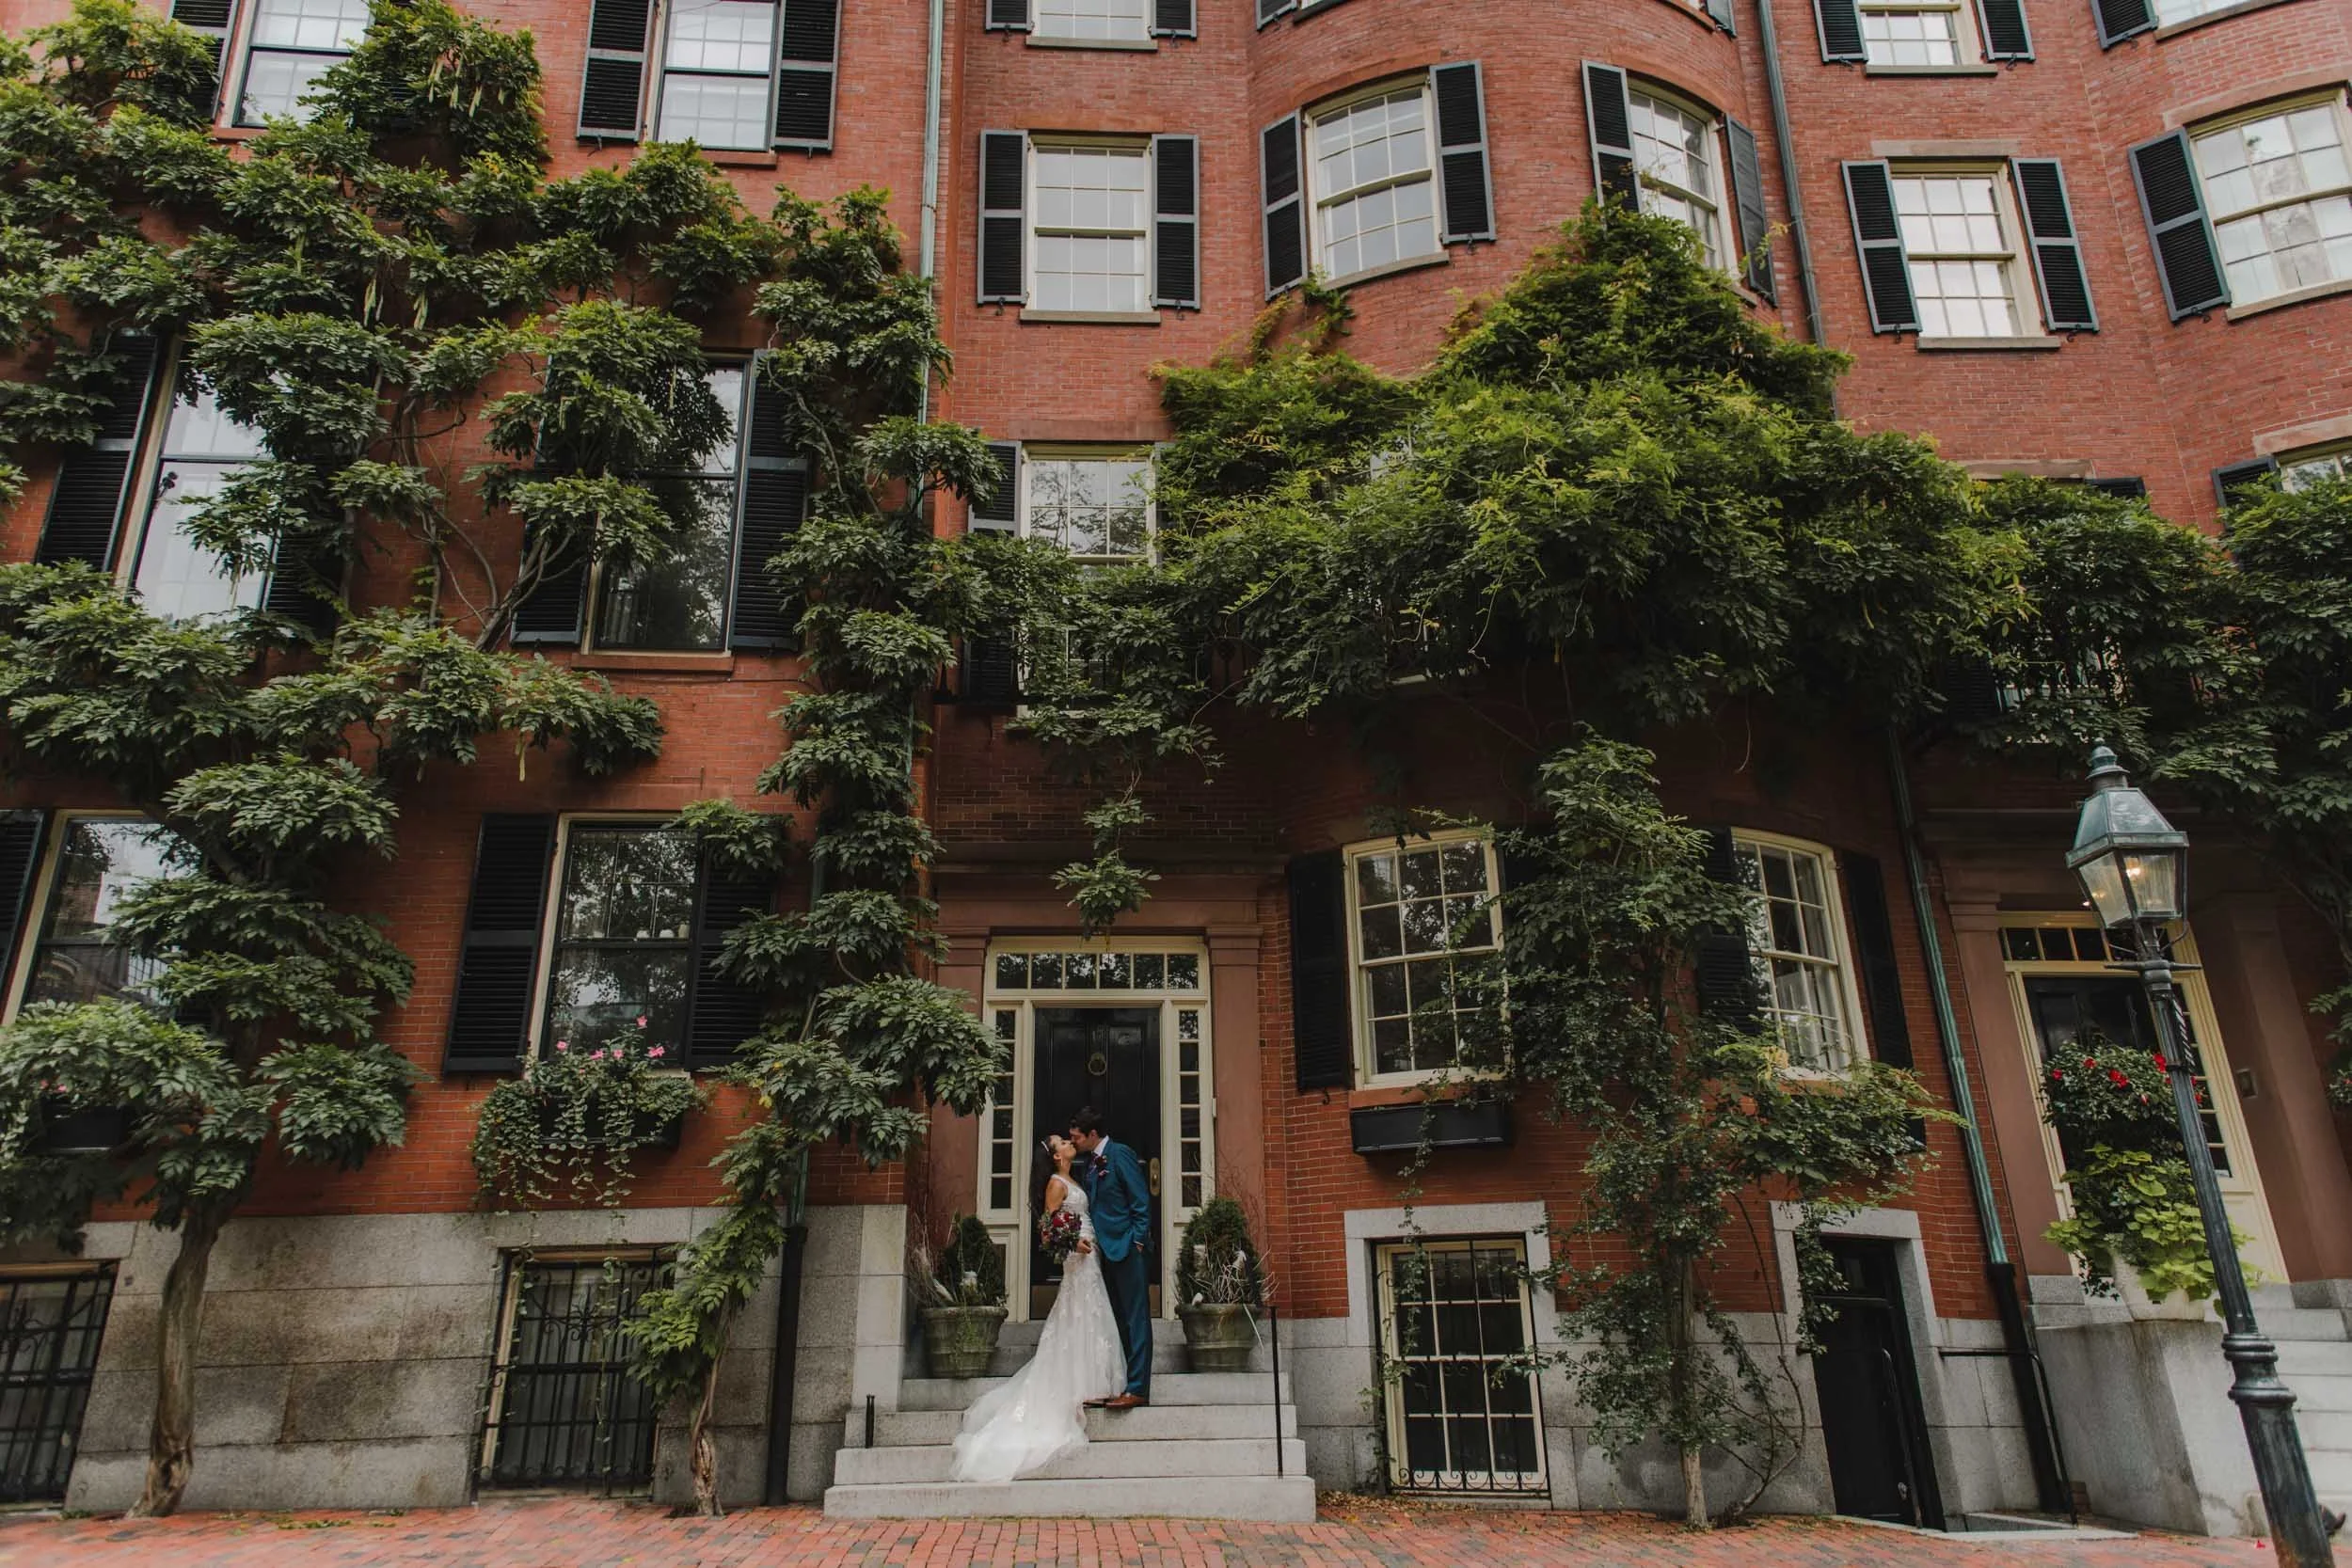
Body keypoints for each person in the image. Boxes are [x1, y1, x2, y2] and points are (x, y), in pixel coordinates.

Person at [947, 1134, 1125, 1482]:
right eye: (1063, 1142)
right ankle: (1074, 1385)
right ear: (1057, 1155)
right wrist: (1073, 1242)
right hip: (1078, 1256)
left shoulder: (1074, 1177)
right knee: (1077, 1311)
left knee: (1088, 1312)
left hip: (1091, 1253)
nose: (1069, 1142)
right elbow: (1047, 1229)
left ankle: (1090, 1379)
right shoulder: (1056, 1184)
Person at [1069, 1105, 1153, 1408]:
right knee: (1116, 1319)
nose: (1074, 1142)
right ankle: (1118, 1384)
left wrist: (1138, 1243)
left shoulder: (1121, 1155)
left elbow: (1141, 1202)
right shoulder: (1091, 1163)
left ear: (1093, 1134)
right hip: (1104, 1253)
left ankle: (1138, 1389)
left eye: (1077, 1137)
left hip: (1128, 1249)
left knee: (1136, 1319)